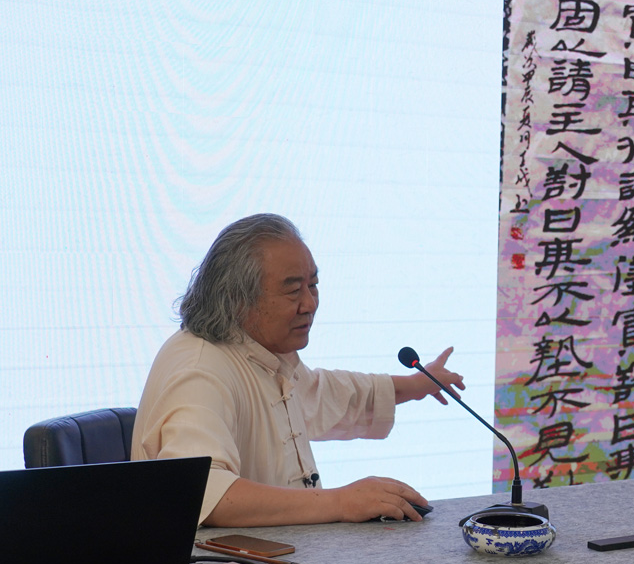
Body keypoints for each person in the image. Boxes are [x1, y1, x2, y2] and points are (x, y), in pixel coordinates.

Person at [131, 213, 465, 526]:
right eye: (293, 291)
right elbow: (202, 493)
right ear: (237, 299)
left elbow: (323, 393)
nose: (310, 304)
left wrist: (417, 384)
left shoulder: (257, 349)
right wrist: (340, 502)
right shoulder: (199, 370)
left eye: (313, 285)